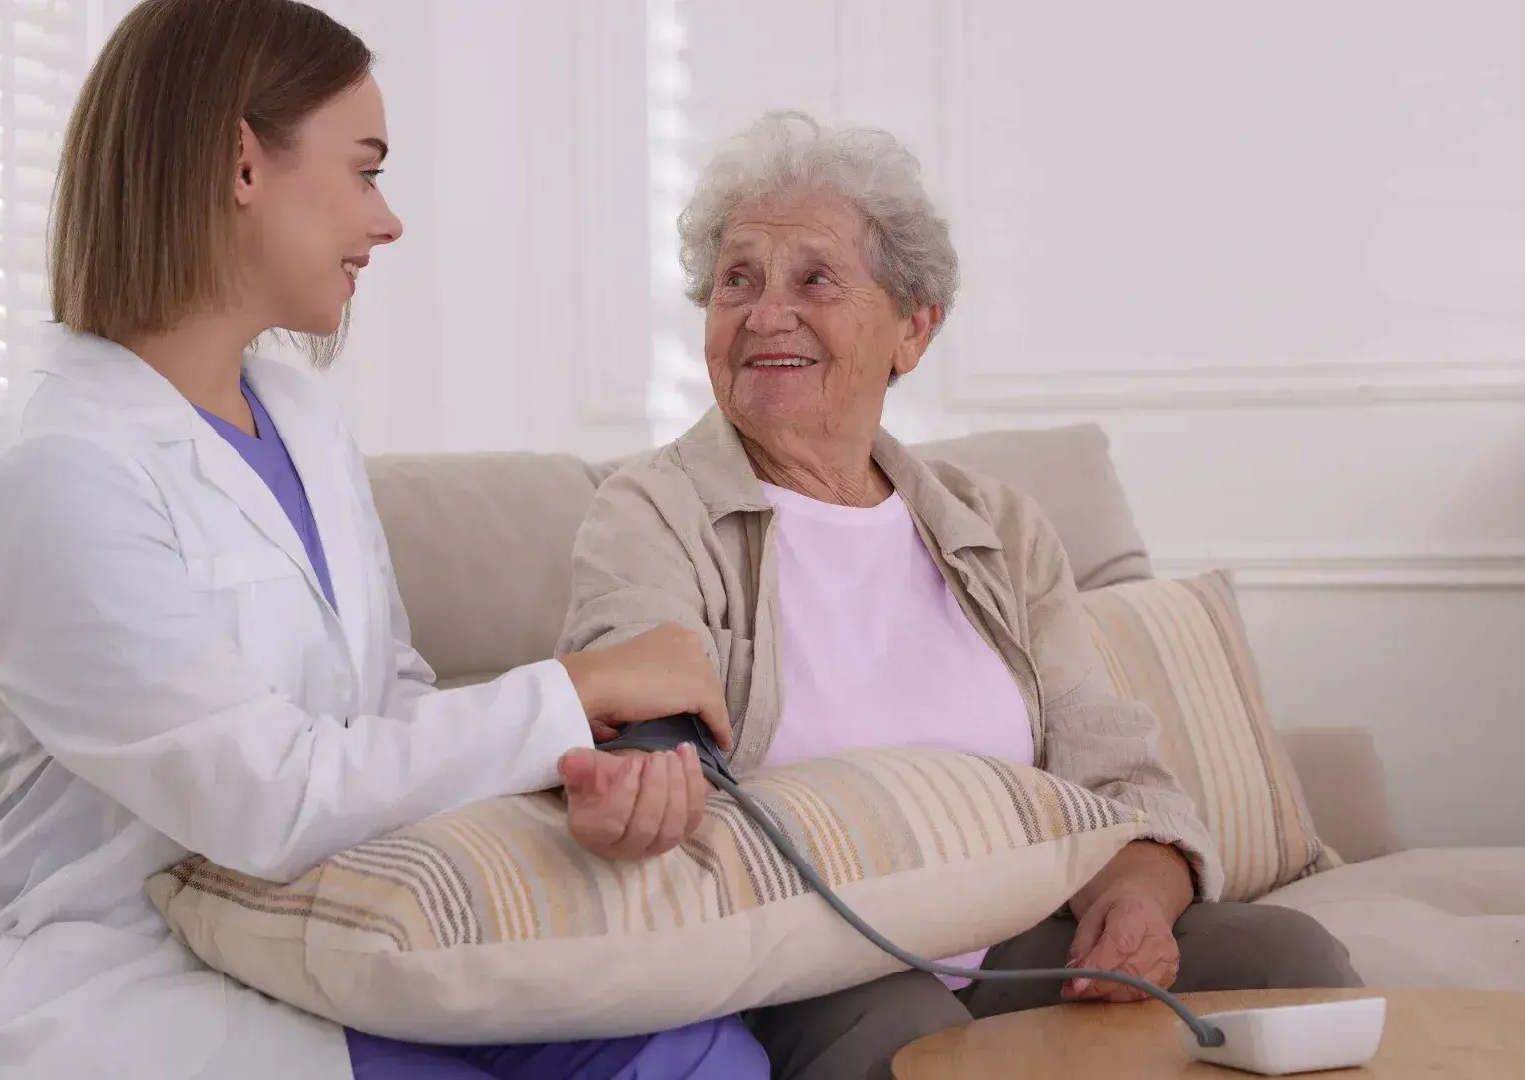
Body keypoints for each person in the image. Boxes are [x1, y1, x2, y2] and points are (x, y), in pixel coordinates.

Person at [0, 2, 767, 1078]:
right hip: (138, 986)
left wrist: (574, 765)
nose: (389, 221)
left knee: (696, 1053)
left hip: (340, 930)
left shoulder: (303, 419)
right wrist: (576, 687)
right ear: (242, 162)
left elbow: (386, 702)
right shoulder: (54, 469)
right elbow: (267, 798)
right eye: (365, 171)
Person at [556, 110, 1363, 1080]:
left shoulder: (997, 528)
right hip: (806, 958)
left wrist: (1136, 901)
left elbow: (1118, 775)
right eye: (738, 280)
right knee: (911, 1037)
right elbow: (639, 698)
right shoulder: (652, 510)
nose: (765, 315)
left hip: (1014, 941)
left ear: (913, 329)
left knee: (1287, 961)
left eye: (813, 279)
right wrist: (639, 775)